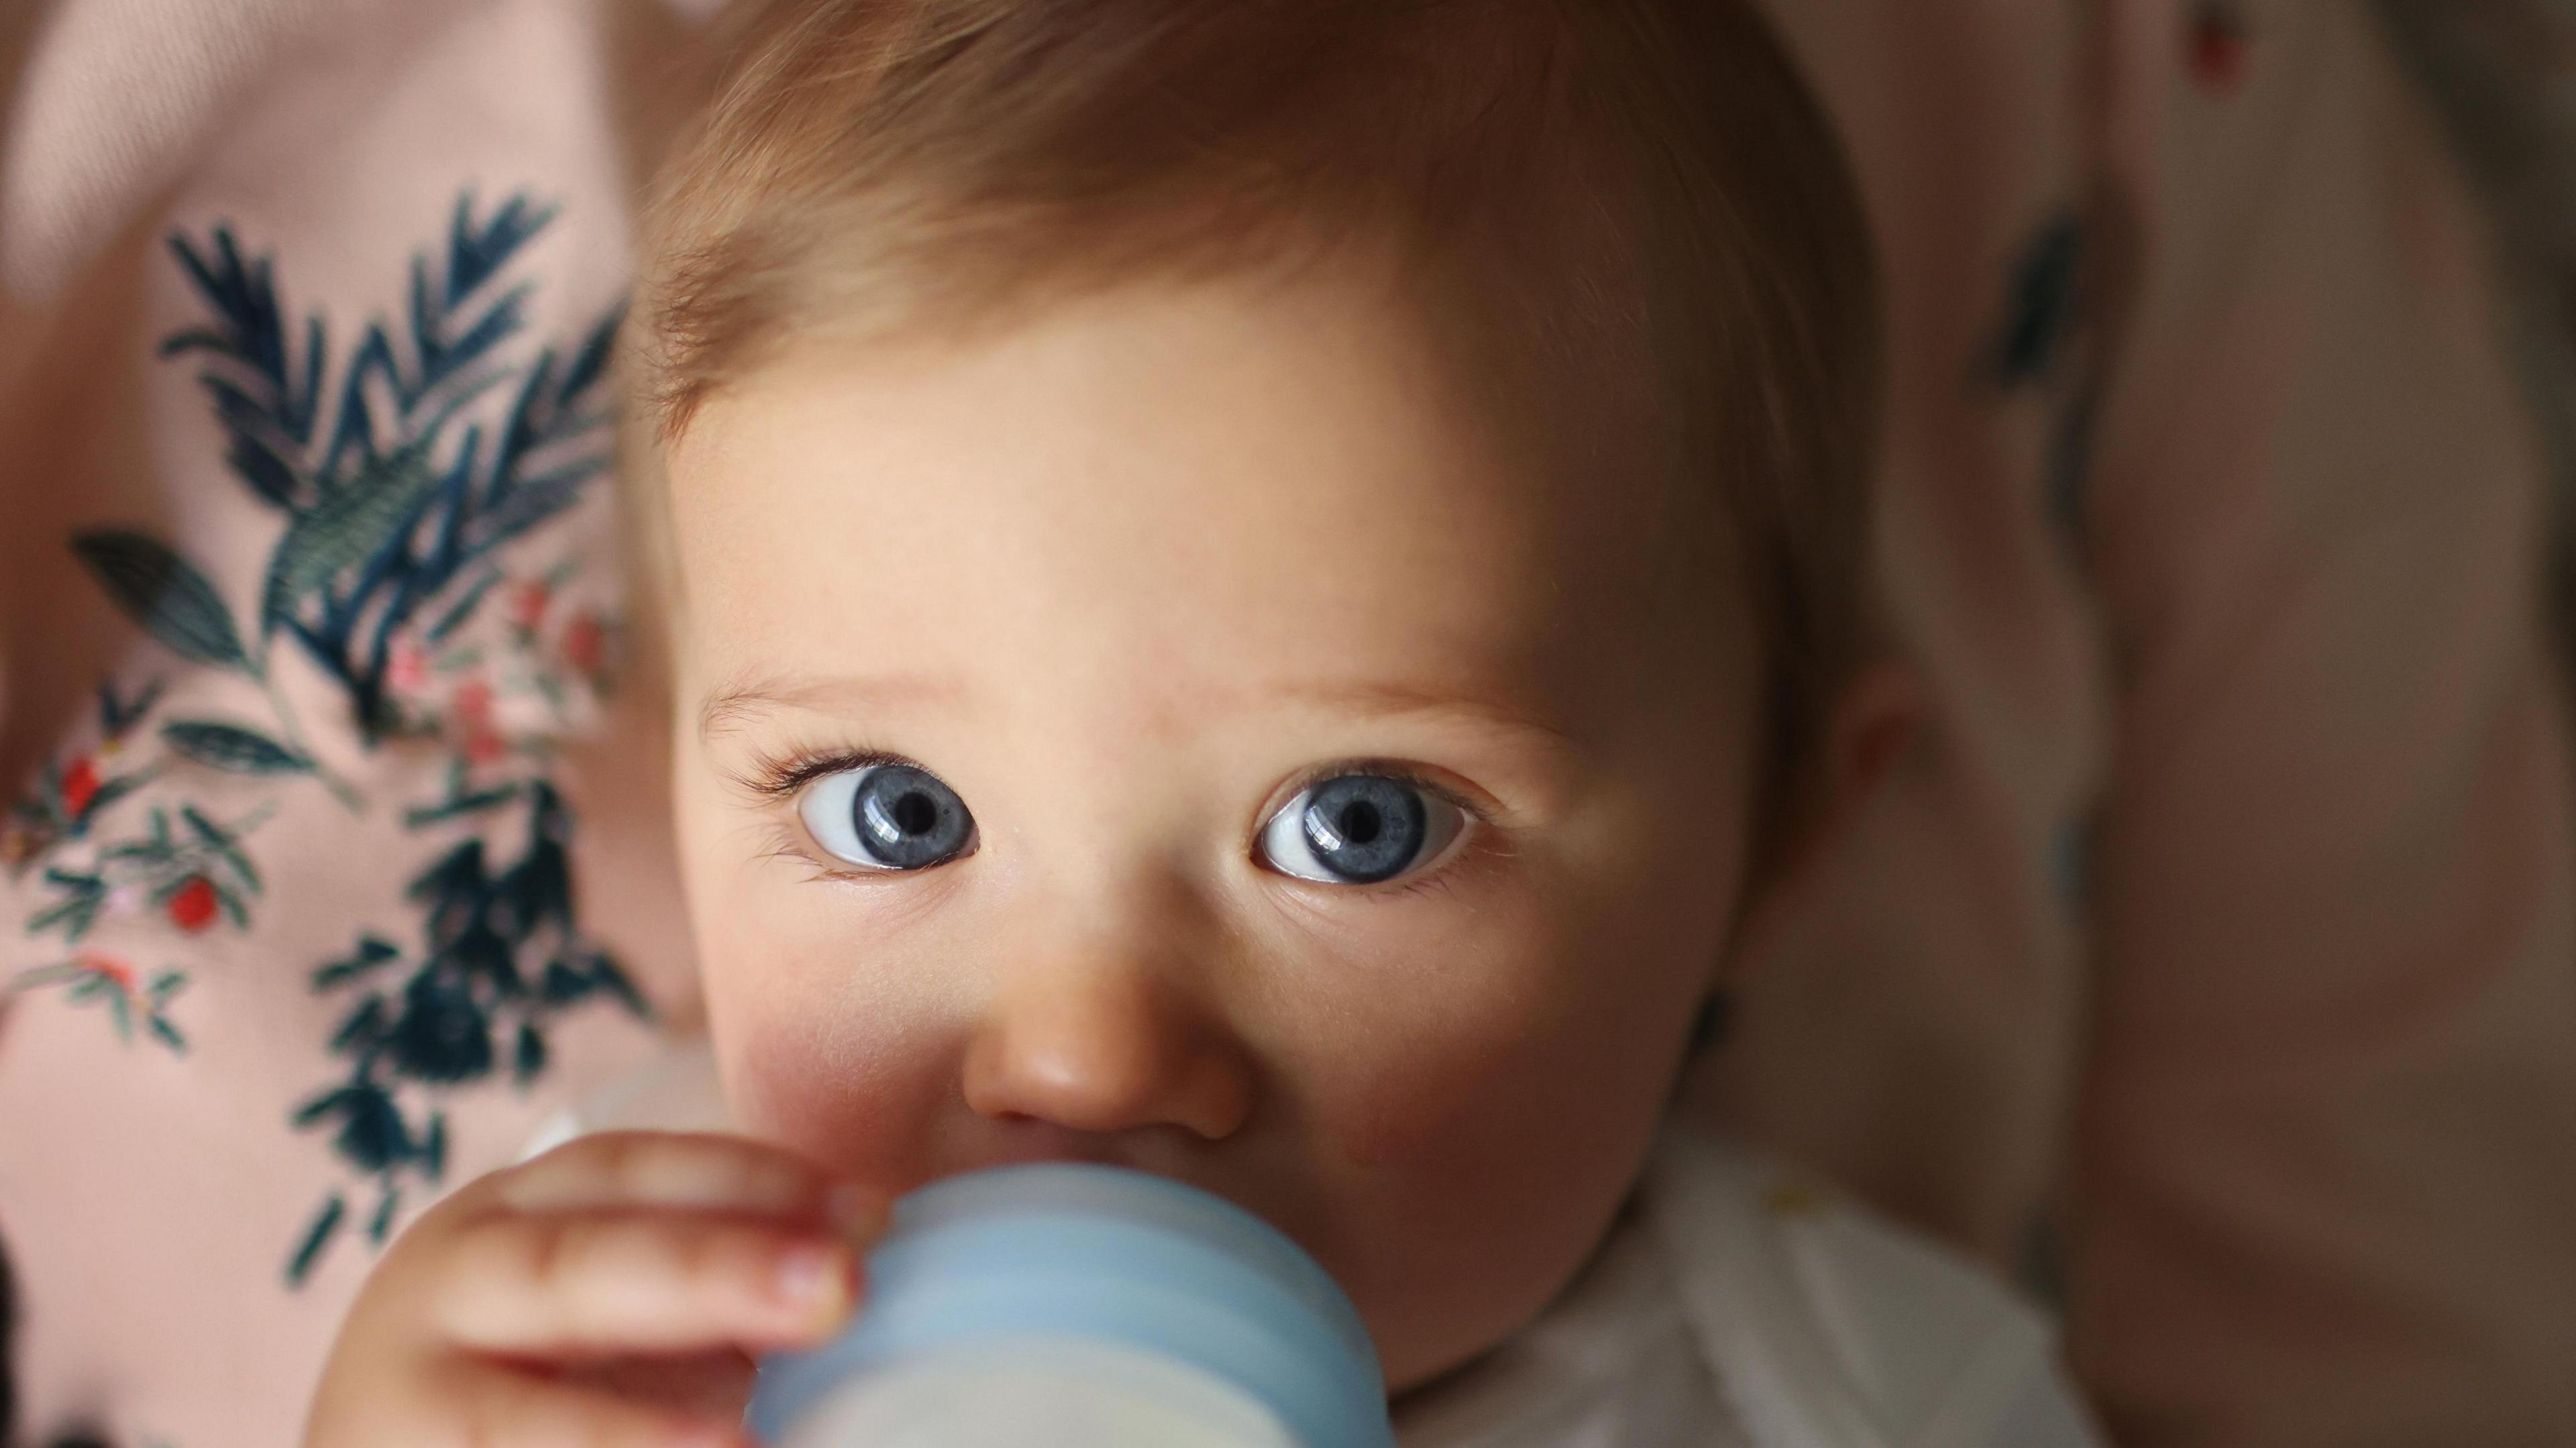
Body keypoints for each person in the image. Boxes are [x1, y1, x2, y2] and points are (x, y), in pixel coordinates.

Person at [297, 0, 2102, 1442]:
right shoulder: (616, 1338)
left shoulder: (1865, 1393)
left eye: (1359, 826)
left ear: (1781, 832)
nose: (1085, 1056)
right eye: (892, 812)